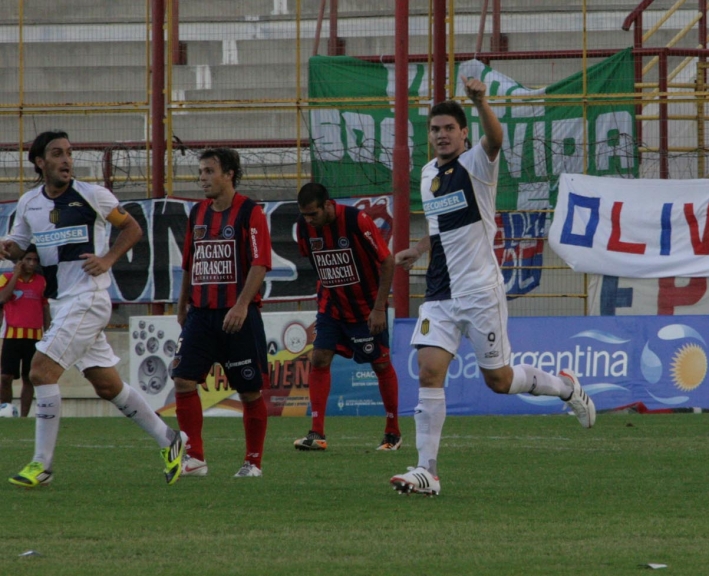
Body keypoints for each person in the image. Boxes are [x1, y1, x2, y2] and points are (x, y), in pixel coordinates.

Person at [389, 75, 596, 497]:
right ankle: (427, 471)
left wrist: (481, 102)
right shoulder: (429, 174)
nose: (442, 135)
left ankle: (565, 387)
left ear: (463, 134)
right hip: (440, 294)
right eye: (435, 129)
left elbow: (496, 138)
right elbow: (442, 228)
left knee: (499, 381)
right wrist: (419, 247)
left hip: (481, 292)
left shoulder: (478, 165)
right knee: (429, 371)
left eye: (450, 128)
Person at [1, 130, 187, 488]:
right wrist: (7, 248)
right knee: (107, 385)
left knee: (40, 372)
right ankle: (170, 440)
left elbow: (132, 227)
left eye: (69, 152)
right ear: (40, 162)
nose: (66, 160)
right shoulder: (29, 204)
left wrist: (108, 258)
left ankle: (42, 465)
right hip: (63, 303)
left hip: (88, 299)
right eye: (57, 153)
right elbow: (19, 247)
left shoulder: (91, 195)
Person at [172, 147, 272, 478]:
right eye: (200, 172)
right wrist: (182, 300)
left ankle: (252, 462)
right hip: (201, 314)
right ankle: (195, 458)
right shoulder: (197, 214)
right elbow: (190, 262)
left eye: (208, 172)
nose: (202, 179)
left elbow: (260, 264)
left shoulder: (250, 212)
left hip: (237, 316)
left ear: (228, 173)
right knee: (184, 380)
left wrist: (242, 304)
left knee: (248, 390)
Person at [292, 182, 401, 452]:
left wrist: (378, 309)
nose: (309, 220)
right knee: (319, 358)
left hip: (366, 308)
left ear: (328, 204)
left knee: (381, 365)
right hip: (332, 305)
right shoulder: (305, 227)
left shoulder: (356, 220)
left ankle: (393, 433)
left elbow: (387, 261)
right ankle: (316, 433)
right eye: (304, 215)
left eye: (313, 214)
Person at [0, 245, 50, 417]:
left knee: (29, 378)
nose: (32, 263)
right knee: (5, 377)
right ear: (20, 261)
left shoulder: (42, 282)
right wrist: (15, 275)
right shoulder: (5, 278)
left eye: (35, 260)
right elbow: (3, 298)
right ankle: (5, 410)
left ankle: (23, 416)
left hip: (35, 336)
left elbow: (45, 308)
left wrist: (49, 332)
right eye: (28, 259)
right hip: (12, 335)